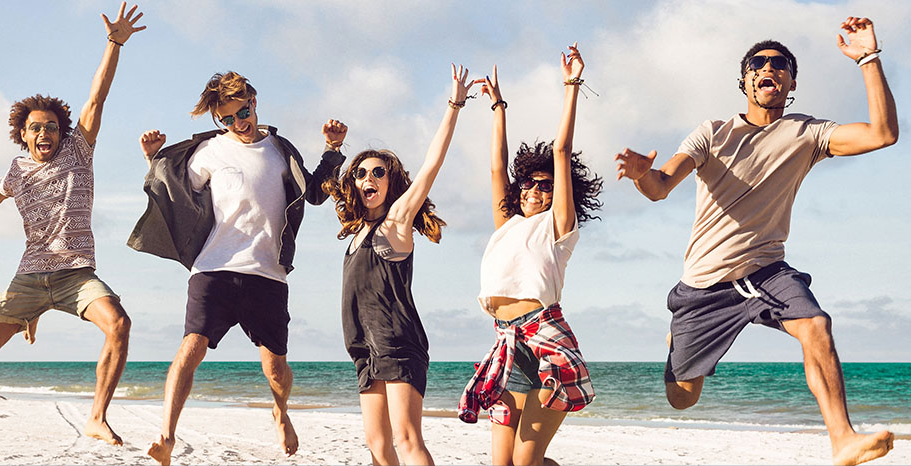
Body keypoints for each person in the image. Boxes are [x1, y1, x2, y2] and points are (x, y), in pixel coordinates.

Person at [614, 17, 897, 466]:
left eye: (780, 64)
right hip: (704, 285)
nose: (770, 68)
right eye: (759, 63)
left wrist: (868, 58)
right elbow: (660, 185)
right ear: (744, 80)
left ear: (790, 83)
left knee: (816, 325)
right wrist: (640, 174)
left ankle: (842, 439)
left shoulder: (808, 134)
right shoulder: (712, 133)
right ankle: (676, 344)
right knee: (682, 399)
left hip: (766, 269)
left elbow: (883, 134)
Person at [0, 2, 145, 446]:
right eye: (36, 128)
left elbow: (97, 96)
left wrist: (114, 43)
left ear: (61, 130)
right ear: (24, 133)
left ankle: (96, 416)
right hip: (30, 276)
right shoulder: (17, 168)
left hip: (76, 274)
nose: (44, 133)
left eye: (51, 126)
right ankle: (26, 317)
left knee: (120, 324)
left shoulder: (79, 149)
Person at [130, 71, 347, 465]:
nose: (237, 123)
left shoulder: (280, 150)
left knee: (276, 370)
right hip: (214, 267)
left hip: (267, 273)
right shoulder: (210, 151)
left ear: (254, 101)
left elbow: (314, 193)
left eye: (242, 112)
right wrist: (154, 160)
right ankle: (166, 436)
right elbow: (175, 189)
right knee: (190, 349)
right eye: (227, 119)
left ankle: (280, 411)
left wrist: (333, 148)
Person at [458, 44, 602, 466]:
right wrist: (499, 106)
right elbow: (495, 167)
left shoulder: (558, 228)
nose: (534, 190)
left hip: (544, 338)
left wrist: (572, 85)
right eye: (529, 184)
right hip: (504, 343)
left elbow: (560, 150)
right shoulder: (507, 225)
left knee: (525, 463)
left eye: (545, 185)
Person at [323, 64, 472, 466]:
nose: (368, 178)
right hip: (364, 348)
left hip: (397, 342)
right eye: (361, 173)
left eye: (378, 172)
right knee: (377, 445)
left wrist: (454, 105)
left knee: (406, 441)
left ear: (391, 182)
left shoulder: (395, 222)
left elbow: (431, 166)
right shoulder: (356, 232)